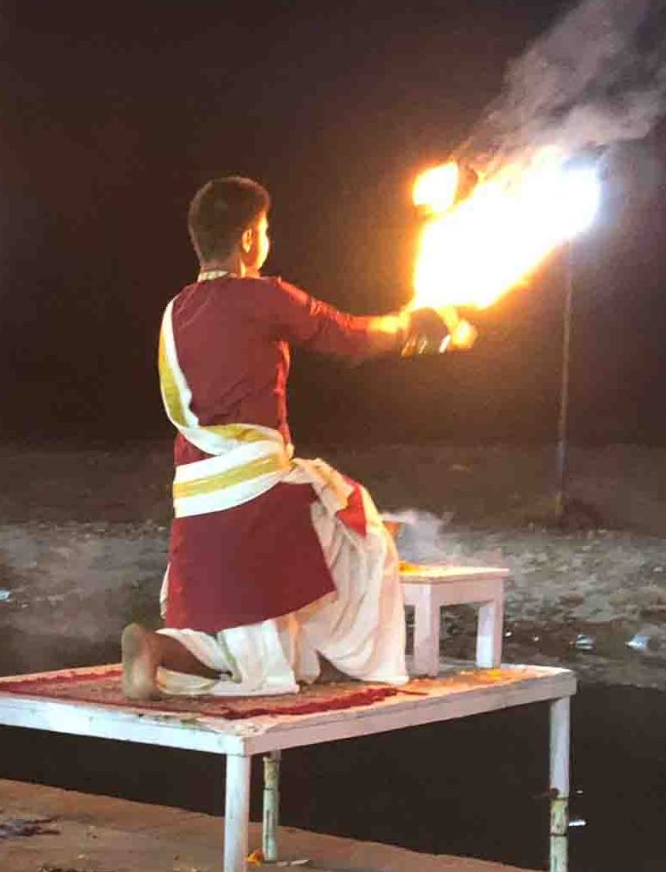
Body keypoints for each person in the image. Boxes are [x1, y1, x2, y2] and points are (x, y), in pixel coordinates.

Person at [121, 175, 467, 701]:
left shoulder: (176, 310)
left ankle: (158, 646)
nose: (267, 239)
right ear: (248, 239)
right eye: (264, 228)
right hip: (255, 488)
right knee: (361, 526)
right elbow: (345, 335)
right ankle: (344, 658)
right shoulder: (262, 296)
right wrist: (413, 329)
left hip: (193, 498)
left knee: (238, 644)